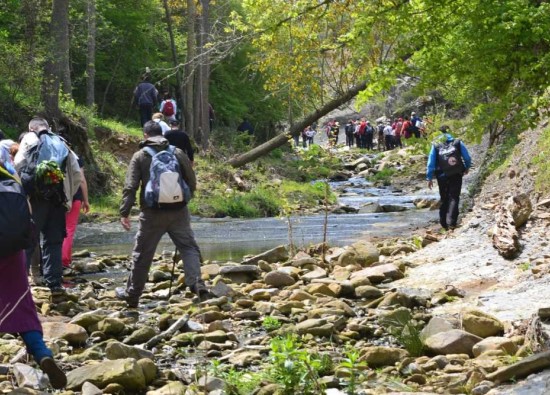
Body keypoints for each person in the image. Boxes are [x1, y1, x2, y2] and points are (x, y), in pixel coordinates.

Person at [117, 121, 209, 308]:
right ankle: (198, 286)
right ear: (163, 134)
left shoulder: (140, 156)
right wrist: (183, 200)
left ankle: (132, 296)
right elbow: (191, 180)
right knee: (188, 248)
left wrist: (124, 212)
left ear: (145, 135)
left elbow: (131, 186)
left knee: (143, 253)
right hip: (178, 211)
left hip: (151, 213)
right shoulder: (177, 153)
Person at [0, 160, 67, 390]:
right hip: (12, 252)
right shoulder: (8, 174)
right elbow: (27, 213)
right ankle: (42, 354)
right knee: (22, 305)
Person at [15, 118, 81, 292]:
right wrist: (67, 197)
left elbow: (18, 165)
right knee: (54, 241)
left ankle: (20, 285)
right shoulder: (61, 142)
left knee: (28, 240)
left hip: (35, 200)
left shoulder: (28, 139)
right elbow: (76, 173)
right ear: (48, 127)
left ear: (31, 128)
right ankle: (54, 284)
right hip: (57, 199)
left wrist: (23, 195)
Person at [426, 125, 472, 230]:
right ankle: (451, 222)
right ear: (449, 132)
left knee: (444, 197)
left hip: (441, 175)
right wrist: (466, 167)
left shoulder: (435, 145)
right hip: (456, 172)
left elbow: (431, 162)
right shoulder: (457, 142)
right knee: (454, 197)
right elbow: (467, 157)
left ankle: (443, 223)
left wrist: (429, 177)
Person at [62, 158, 90, 268]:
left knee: (58, 228)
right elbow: (81, 180)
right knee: (69, 228)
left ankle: (64, 258)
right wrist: (86, 200)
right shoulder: (76, 158)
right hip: (75, 197)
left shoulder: (53, 154)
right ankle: (64, 259)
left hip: (58, 197)